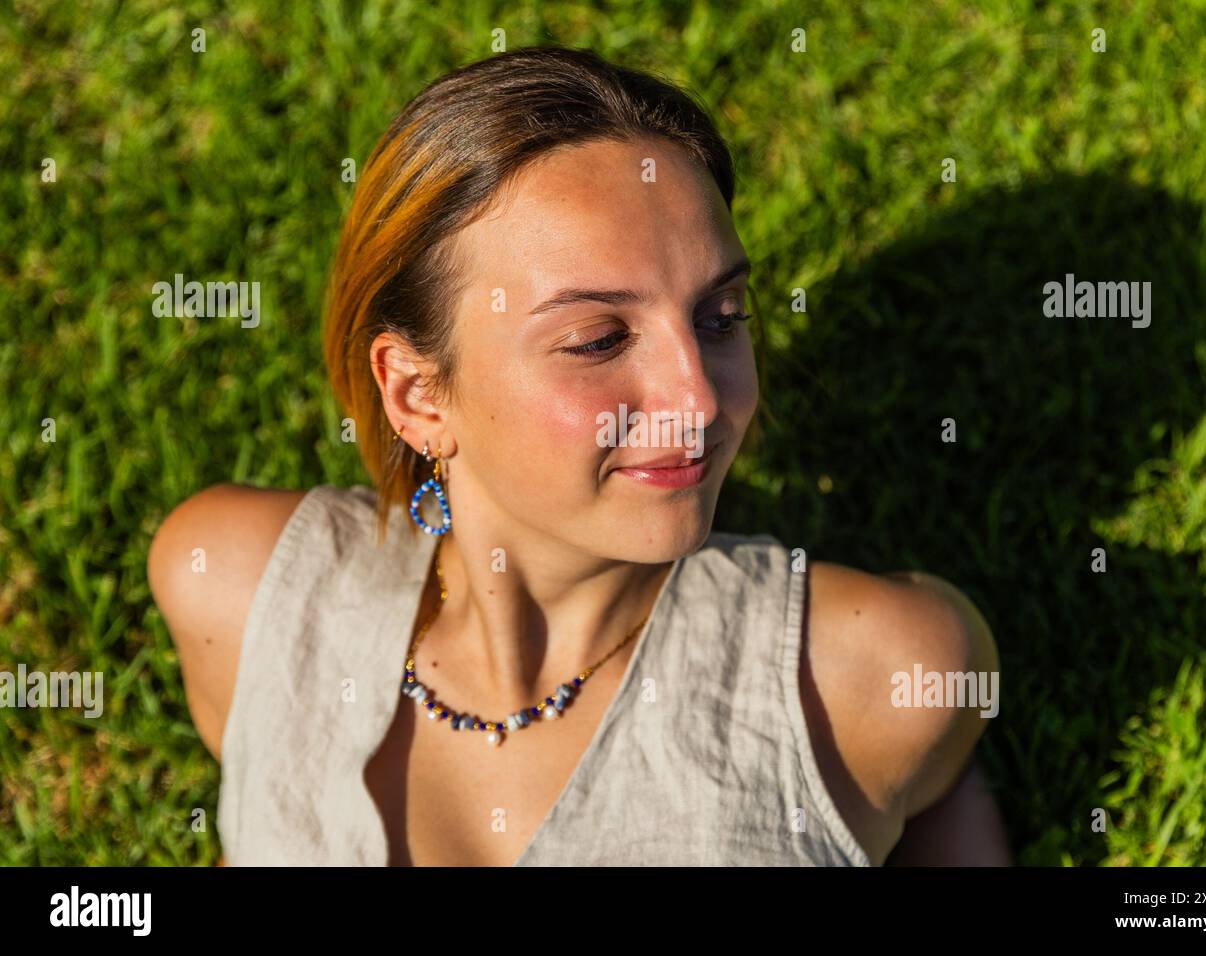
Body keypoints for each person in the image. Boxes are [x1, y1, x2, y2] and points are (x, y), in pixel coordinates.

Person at [147, 44, 1012, 866]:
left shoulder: (873, 683)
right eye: (599, 339)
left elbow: (945, 791)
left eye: (719, 319)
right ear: (417, 394)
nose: (700, 401)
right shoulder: (245, 594)